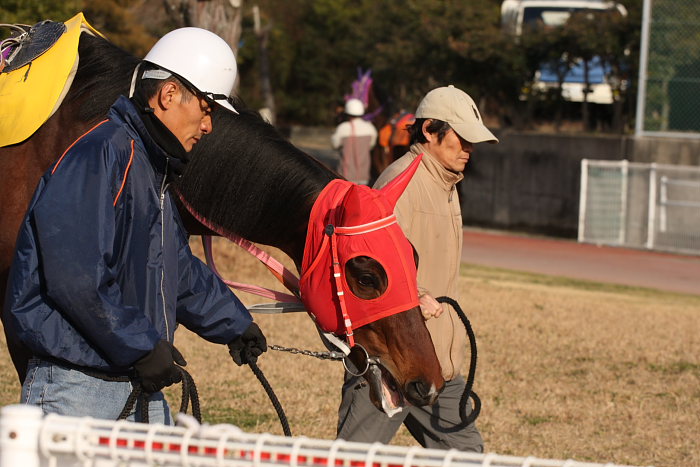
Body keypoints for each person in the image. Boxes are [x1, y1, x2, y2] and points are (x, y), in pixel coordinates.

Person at [3, 27, 267, 424]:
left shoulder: (148, 166)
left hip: (131, 377)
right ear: (170, 94)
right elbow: (76, 279)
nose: (209, 126)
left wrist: (233, 323)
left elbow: (173, 268)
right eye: (208, 109)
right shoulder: (100, 154)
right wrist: (142, 347)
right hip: (78, 388)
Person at [336, 85, 498, 451]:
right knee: (352, 460)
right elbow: (366, 266)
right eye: (462, 138)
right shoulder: (398, 184)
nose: (469, 149)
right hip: (392, 361)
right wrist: (419, 296)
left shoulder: (447, 183)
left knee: (468, 458)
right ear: (428, 130)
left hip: (439, 361)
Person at [331, 98, 378, 185]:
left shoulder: (342, 128)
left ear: (347, 113)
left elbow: (334, 145)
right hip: (364, 177)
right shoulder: (370, 128)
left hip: (345, 176)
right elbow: (371, 145)